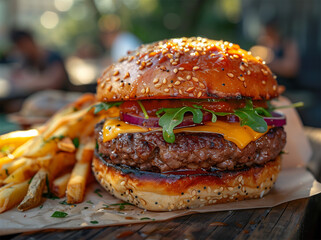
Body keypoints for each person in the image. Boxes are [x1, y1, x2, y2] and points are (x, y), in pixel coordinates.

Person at [9, 29, 69, 94]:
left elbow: (54, 83)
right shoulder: (28, 59)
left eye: (21, 46)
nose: (20, 50)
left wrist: (27, 83)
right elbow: (17, 76)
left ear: (28, 41)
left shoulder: (53, 57)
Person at [258, 21, 300, 90]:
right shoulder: (266, 45)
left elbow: (291, 69)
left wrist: (270, 63)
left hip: (288, 87)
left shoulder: (287, 44)